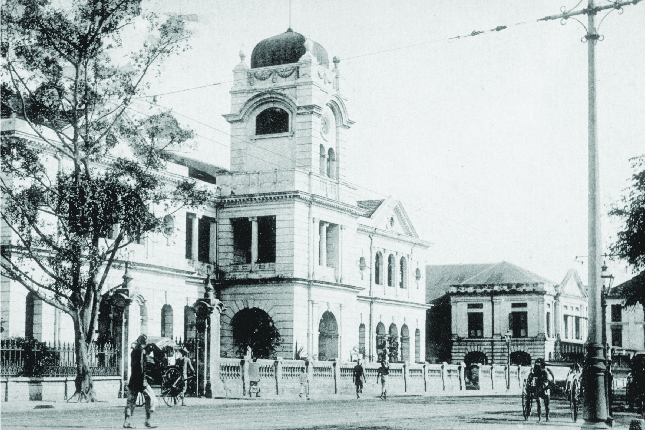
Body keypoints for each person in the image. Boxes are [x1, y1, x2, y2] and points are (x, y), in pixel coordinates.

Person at [123, 334, 157, 429]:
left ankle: (127, 421)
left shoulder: (134, 351)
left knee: (130, 401)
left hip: (133, 379)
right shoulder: (142, 352)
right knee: (151, 398)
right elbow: (142, 366)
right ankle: (148, 420)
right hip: (141, 380)